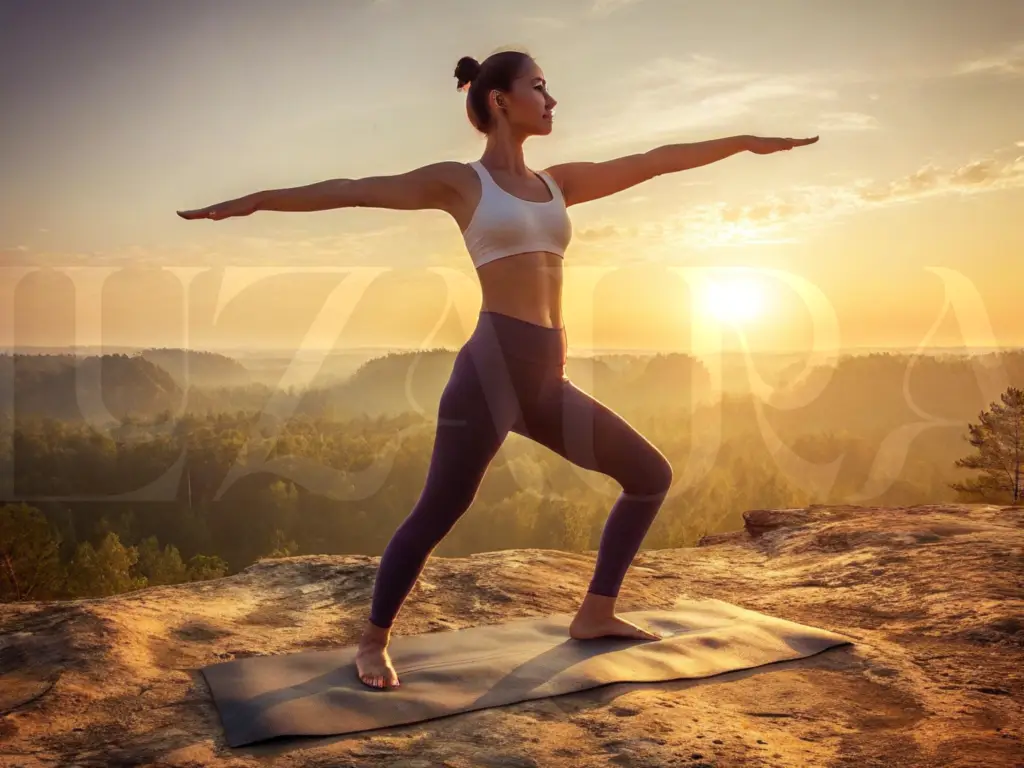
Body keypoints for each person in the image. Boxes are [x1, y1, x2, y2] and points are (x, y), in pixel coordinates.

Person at [178, 50, 818, 689]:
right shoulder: (461, 183)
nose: (552, 99)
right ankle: (372, 642)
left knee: (649, 475)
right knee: (440, 508)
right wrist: (254, 201)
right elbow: (351, 190)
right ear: (498, 101)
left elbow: (653, 161)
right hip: (491, 371)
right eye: (539, 87)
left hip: (547, 374)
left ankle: (596, 614)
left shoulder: (557, 183)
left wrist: (743, 143)